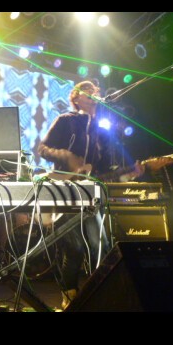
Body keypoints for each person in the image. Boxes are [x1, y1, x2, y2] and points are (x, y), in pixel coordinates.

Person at [38, 81, 146, 309]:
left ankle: (102, 295)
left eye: (94, 91)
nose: (91, 93)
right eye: (85, 91)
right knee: (75, 247)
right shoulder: (66, 120)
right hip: (64, 189)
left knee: (101, 245)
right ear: (75, 97)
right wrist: (66, 156)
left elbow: (104, 172)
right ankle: (69, 294)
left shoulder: (100, 130)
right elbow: (43, 149)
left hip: (90, 193)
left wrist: (130, 172)